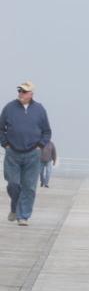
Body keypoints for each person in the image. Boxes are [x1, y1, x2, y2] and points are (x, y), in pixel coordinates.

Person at [2, 81, 51, 226]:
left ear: (31, 94)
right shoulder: (9, 108)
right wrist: (5, 144)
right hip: (13, 153)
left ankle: (23, 216)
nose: (20, 94)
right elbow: (1, 129)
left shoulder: (39, 109)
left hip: (33, 154)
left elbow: (47, 131)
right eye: (19, 91)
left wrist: (40, 146)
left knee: (29, 187)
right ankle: (15, 207)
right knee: (13, 184)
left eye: (24, 91)